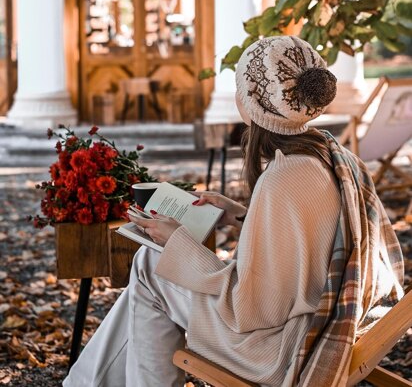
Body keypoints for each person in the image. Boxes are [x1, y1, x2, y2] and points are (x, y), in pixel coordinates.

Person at [63, 36, 404, 387]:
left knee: (151, 267)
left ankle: (83, 383)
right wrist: (241, 215)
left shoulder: (283, 179)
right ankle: (82, 383)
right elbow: (304, 245)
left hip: (279, 351)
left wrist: (178, 242)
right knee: (152, 274)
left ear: (253, 102)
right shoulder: (331, 154)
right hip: (314, 323)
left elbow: (251, 309)